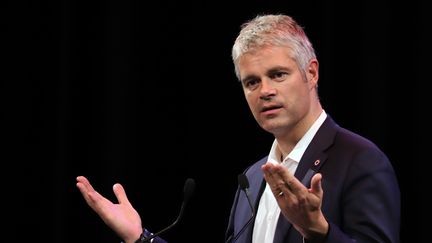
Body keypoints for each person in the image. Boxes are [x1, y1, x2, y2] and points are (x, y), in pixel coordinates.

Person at [76, 14, 401, 243]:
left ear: (311, 73)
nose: (265, 91)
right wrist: (141, 238)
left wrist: (320, 234)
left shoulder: (360, 161)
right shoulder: (254, 178)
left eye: (278, 74)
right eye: (251, 82)